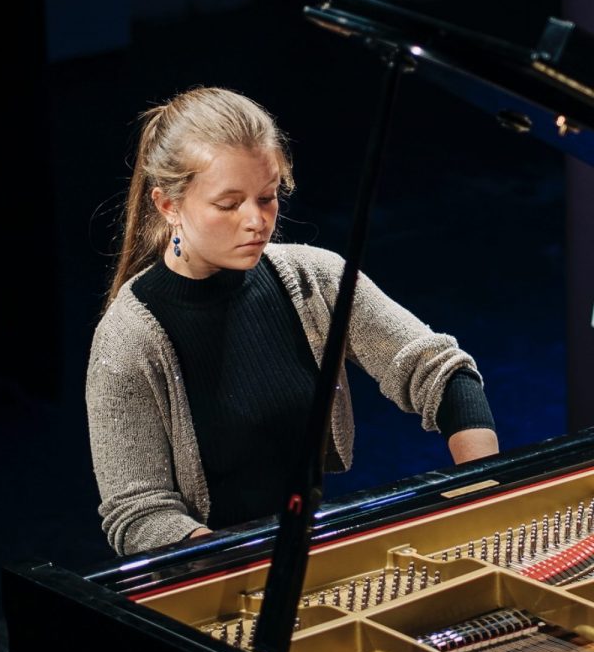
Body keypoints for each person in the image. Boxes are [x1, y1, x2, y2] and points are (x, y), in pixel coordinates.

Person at [86, 86, 499, 556]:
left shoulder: (315, 278)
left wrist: (482, 487)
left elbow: (439, 371)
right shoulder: (129, 338)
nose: (256, 221)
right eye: (229, 204)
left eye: (266, 197)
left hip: (314, 550)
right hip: (216, 572)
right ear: (168, 206)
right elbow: (140, 513)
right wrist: (238, 564)